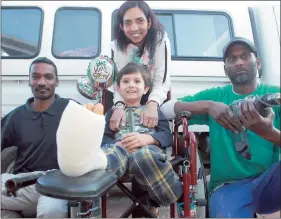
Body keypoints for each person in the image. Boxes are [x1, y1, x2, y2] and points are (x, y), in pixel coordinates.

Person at [160, 37, 280, 217]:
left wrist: (270, 134)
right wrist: (209, 106)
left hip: (269, 183)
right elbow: (165, 109)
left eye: (245, 56)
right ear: (225, 69)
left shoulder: (274, 95)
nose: (239, 62)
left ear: (258, 62)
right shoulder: (216, 96)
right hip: (228, 187)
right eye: (232, 59)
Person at [57, 63, 182, 217]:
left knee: (144, 156)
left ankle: (168, 194)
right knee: (103, 156)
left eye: (137, 81)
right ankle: (88, 194)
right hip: (120, 156)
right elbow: (104, 137)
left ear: (146, 88)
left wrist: (148, 138)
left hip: (147, 155)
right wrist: (114, 144)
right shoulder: (112, 113)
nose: (131, 85)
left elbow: (166, 136)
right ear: (118, 88)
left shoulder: (153, 112)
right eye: (125, 81)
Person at [1, 57, 70, 218]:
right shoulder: (16, 116)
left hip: (56, 186)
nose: (41, 82)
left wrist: (118, 107)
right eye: (35, 76)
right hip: (21, 186)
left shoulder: (70, 109)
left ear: (57, 82)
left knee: (51, 211)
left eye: (48, 77)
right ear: (29, 81)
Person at [108, 0, 171, 131]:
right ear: (121, 26)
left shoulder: (161, 41)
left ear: (149, 23)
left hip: (153, 94)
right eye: (128, 23)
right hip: (124, 96)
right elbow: (117, 84)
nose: (134, 28)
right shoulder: (115, 47)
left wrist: (152, 104)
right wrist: (119, 107)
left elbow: (161, 80)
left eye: (140, 21)